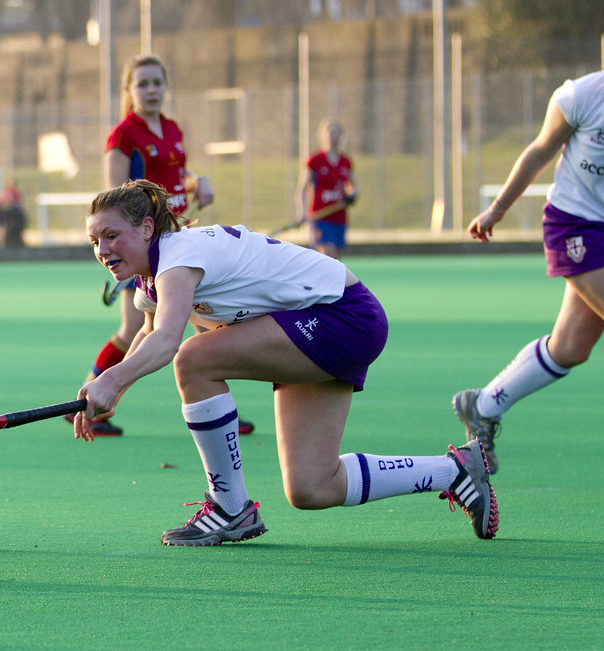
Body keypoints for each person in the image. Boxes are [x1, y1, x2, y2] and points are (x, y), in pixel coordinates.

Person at [73, 180, 498, 546]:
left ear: (147, 228)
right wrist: (114, 393)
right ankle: (455, 470)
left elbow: (168, 340)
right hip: (313, 323)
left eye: (111, 235)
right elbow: (148, 333)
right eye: (95, 241)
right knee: (312, 486)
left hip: (343, 315)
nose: (102, 249)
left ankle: (230, 507)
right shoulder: (152, 281)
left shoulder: (179, 255)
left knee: (194, 358)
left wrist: (110, 379)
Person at [70, 53, 254, 437]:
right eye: (142, 84)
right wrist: (118, 247)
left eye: (157, 82)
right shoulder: (123, 136)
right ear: (129, 91)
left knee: (207, 327)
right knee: (134, 327)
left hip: (180, 242)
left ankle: (222, 413)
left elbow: (177, 176)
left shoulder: (171, 128)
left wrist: (197, 182)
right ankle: (86, 400)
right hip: (145, 247)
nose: (151, 90)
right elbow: (113, 198)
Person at [453, 70, 604, 475]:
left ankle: (482, 405)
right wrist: (496, 209)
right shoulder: (582, 96)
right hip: (577, 225)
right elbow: (539, 151)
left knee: (571, 347)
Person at [296, 120, 357, 260]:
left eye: (335, 133)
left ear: (341, 136)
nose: (331, 136)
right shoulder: (315, 161)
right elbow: (302, 189)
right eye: (328, 133)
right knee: (328, 258)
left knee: (336, 262)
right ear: (322, 136)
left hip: (339, 217)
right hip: (320, 218)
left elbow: (353, 186)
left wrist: (352, 195)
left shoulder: (346, 162)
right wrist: (302, 212)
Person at [0, 179, 26, 247]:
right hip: (9, 217)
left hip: (14, 218)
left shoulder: (15, 194)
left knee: (13, 233)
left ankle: (15, 242)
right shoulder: (7, 193)